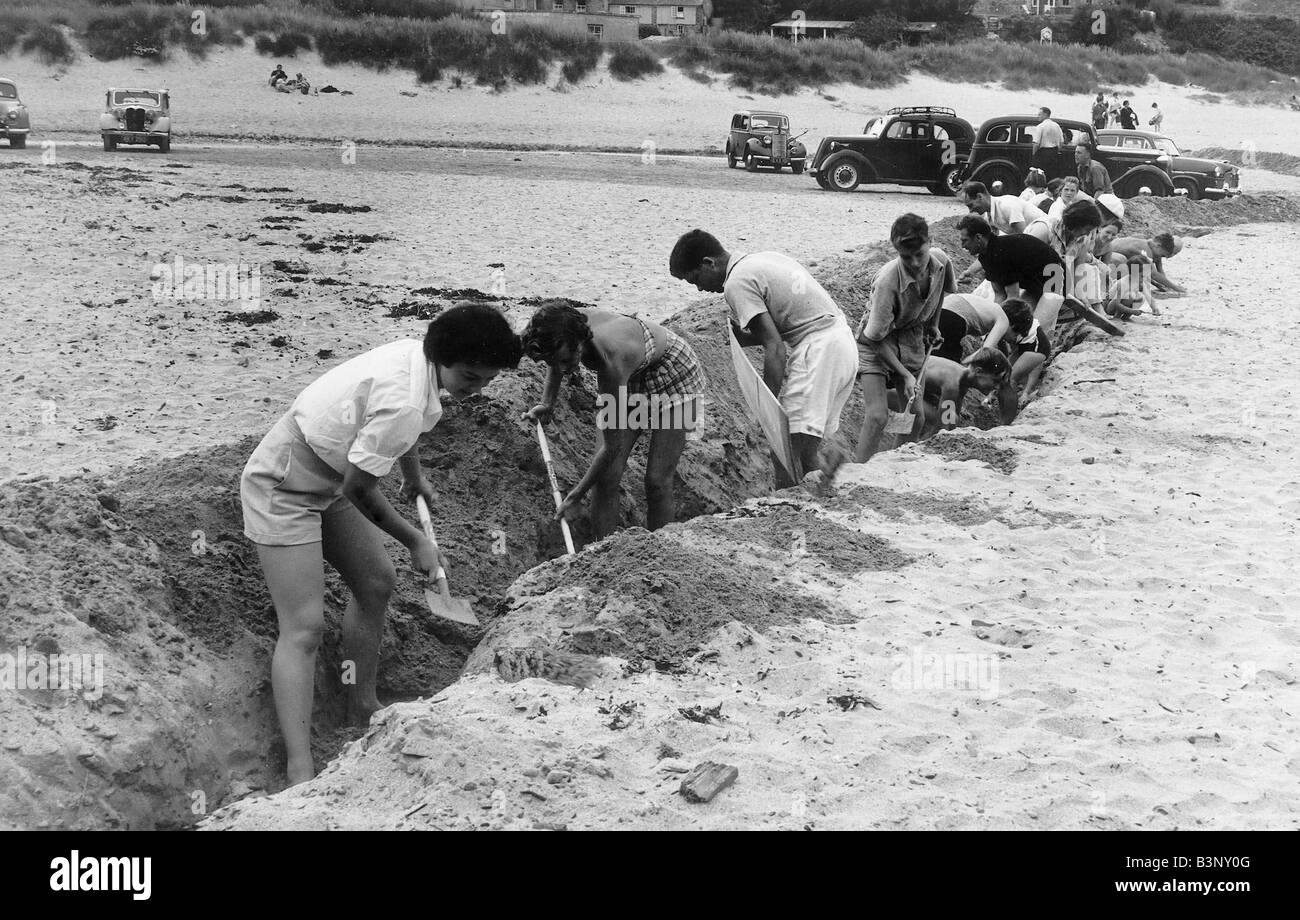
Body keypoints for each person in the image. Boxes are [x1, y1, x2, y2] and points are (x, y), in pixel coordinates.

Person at [239, 303, 522, 785]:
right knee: (303, 628)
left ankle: (361, 703)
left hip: (328, 477)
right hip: (284, 483)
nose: (478, 389)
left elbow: (395, 435)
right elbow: (359, 487)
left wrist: (415, 479)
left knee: (376, 582)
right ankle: (300, 767)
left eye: (488, 379)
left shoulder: (420, 362)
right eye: (472, 377)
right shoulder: (406, 398)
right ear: (443, 357)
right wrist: (416, 541)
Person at [670, 230, 857, 489]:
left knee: (783, 450)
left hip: (819, 350)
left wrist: (766, 405)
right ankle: (824, 482)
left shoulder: (737, 282)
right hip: (841, 342)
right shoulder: (763, 259)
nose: (701, 288)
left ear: (708, 263)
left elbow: (776, 349)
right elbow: (794, 319)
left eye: (696, 280)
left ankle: (790, 510)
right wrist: (747, 338)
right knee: (802, 449)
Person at [521, 300, 705, 541]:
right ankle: (603, 551)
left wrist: (576, 496)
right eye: (555, 362)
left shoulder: (609, 361)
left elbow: (611, 447)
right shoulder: (562, 326)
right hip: (632, 377)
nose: (563, 370)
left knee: (657, 481)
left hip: (674, 375)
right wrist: (547, 402)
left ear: (581, 341)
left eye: (567, 361)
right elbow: (556, 359)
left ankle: (662, 549)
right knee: (606, 478)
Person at [854, 214, 956, 462]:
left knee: (915, 416)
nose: (914, 262)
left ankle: (890, 466)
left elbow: (940, 290)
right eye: (905, 256)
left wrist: (933, 324)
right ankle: (857, 472)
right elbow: (873, 338)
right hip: (876, 343)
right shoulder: (888, 281)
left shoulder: (940, 261)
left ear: (930, 241)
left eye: (919, 254)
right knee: (878, 415)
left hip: (910, 336)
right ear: (896, 251)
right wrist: (906, 375)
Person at [956, 214, 1066, 332]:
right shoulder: (986, 256)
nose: (962, 246)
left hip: (1056, 279)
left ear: (978, 237)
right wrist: (992, 322)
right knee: (1018, 327)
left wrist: (997, 327)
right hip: (1035, 285)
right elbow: (1000, 295)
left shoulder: (1002, 253)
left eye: (965, 241)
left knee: (1035, 331)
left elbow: (1012, 298)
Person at [918, 347, 1015, 436]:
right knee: (936, 419)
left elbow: (953, 416)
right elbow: (942, 426)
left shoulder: (963, 382)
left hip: (920, 386)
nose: (997, 387)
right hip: (906, 384)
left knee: (952, 417)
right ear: (978, 371)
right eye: (995, 381)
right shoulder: (952, 384)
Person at [935, 292, 1011, 364]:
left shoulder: (995, 310)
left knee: (937, 350)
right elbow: (984, 352)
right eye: (1016, 338)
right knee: (948, 359)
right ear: (1013, 326)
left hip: (943, 307)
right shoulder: (1004, 321)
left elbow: (1001, 346)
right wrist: (963, 365)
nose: (1011, 342)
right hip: (955, 315)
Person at [999, 296, 1051, 401]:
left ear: (1012, 326)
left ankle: (1012, 407)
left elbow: (1037, 366)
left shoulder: (1014, 324)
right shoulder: (1011, 323)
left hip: (1037, 348)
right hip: (1026, 343)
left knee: (1011, 378)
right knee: (1006, 373)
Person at [1109, 232, 1186, 294]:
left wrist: (1161, 285)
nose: (1160, 257)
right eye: (1162, 255)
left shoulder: (1150, 246)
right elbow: (1153, 274)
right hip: (1107, 259)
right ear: (1158, 246)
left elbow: (1158, 272)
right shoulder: (1145, 251)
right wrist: (1176, 288)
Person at [1032, 106, 1065, 179]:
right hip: (1054, 153)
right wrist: (1057, 150)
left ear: (1045, 114)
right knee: (1052, 175)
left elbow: (1036, 143)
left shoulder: (1040, 126)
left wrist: (1034, 155)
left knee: (1041, 175)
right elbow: (1061, 142)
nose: (1038, 116)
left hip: (1043, 154)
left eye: (1040, 114)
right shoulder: (1057, 126)